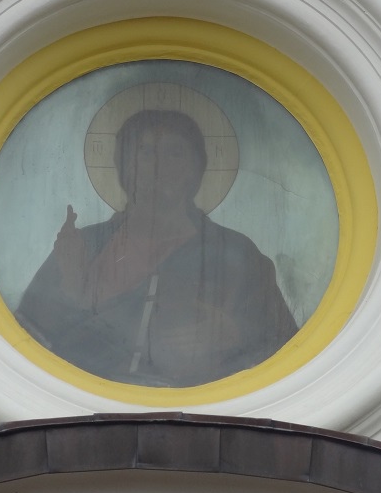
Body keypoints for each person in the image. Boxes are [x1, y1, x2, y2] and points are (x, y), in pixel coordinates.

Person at [16, 109, 298, 386]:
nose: (159, 165)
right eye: (146, 152)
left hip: (204, 404)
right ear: (126, 167)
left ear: (195, 169)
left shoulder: (236, 254)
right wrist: (72, 285)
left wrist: (232, 334)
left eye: (174, 153)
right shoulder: (85, 246)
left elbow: (281, 350)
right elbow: (32, 339)